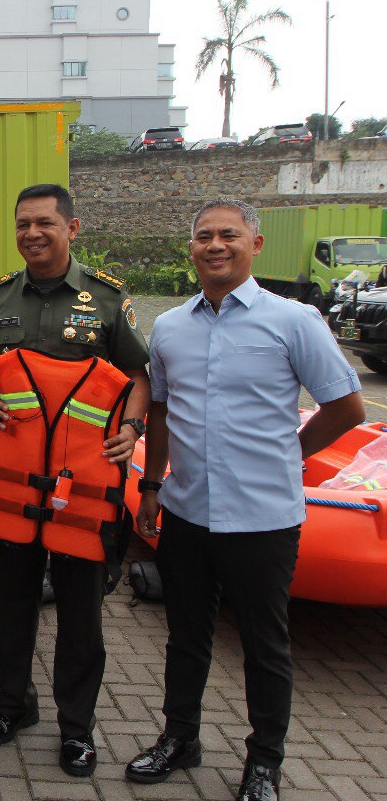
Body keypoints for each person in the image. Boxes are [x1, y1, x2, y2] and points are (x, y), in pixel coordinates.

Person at [125, 199, 364, 801]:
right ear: (191, 251)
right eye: (203, 236)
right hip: (186, 512)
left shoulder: (295, 320)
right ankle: (180, 739)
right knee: (185, 638)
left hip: (264, 518)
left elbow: (347, 407)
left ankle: (264, 764)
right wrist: (152, 486)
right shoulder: (172, 327)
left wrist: (293, 455)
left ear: (254, 245)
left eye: (228, 235)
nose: (215, 246)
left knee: (264, 644)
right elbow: (160, 411)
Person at [0, 183, 151, 777]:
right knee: (12, 605)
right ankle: (13, 705)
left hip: (82, 486)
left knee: (80, 614)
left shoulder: (105, 301)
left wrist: (133, 425)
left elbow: (137, 374)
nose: (31, 234)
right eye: (22, 224)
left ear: (73, 228)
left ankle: (77, 729)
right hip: (15, 481)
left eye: (44, 222)